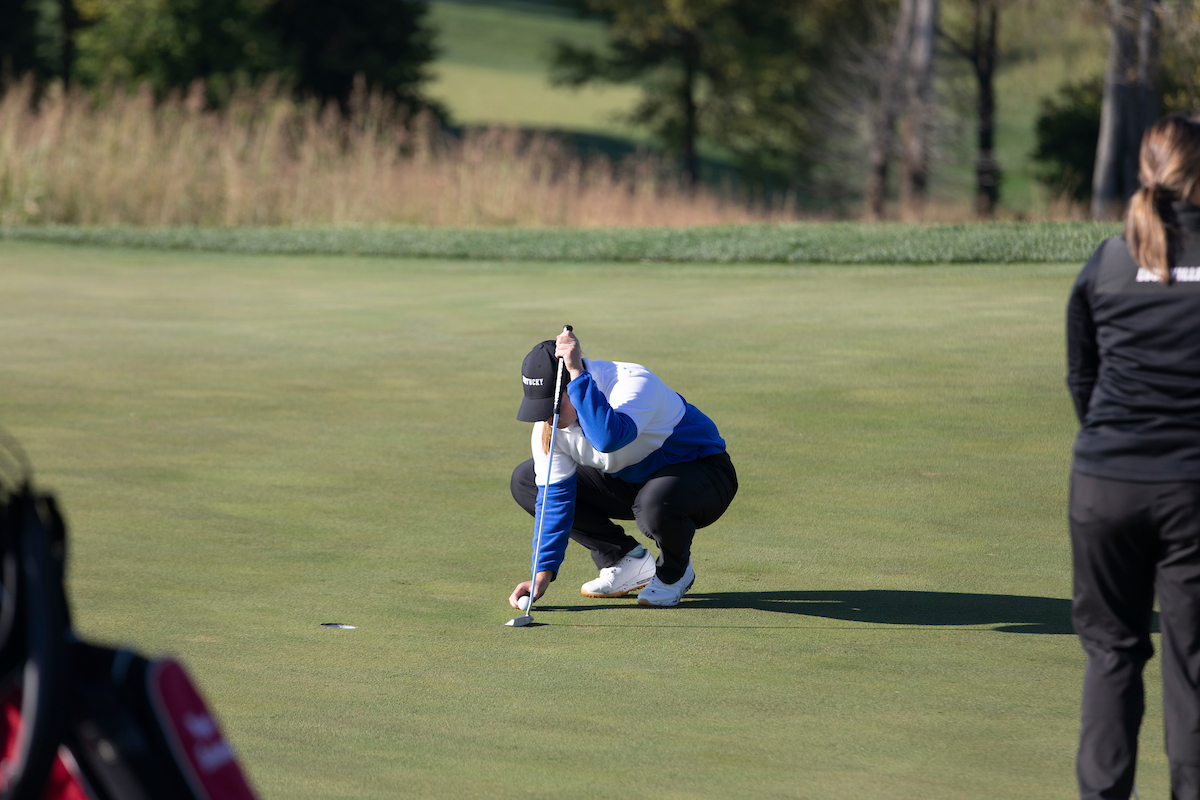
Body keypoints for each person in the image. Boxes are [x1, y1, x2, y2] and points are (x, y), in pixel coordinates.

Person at [1066, 115, 1200, 800]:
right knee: (1192, 666)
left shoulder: (1110, 257)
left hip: (1102, 486)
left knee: (1113, 655)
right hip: (1191, 492)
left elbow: (1081, 378)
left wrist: (1114, 447)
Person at [507, 328, 737, 609]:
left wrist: (577, 374)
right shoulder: (549, 427)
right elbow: (553, 502)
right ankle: (624, 560)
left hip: (703, 473)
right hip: (630, 480)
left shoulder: (632, 383)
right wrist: (541, 575)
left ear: (574, 385)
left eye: (551, 407)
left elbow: (608, 438)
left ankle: (674, 572)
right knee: (526, 481)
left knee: (654, 503)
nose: (548, 420)